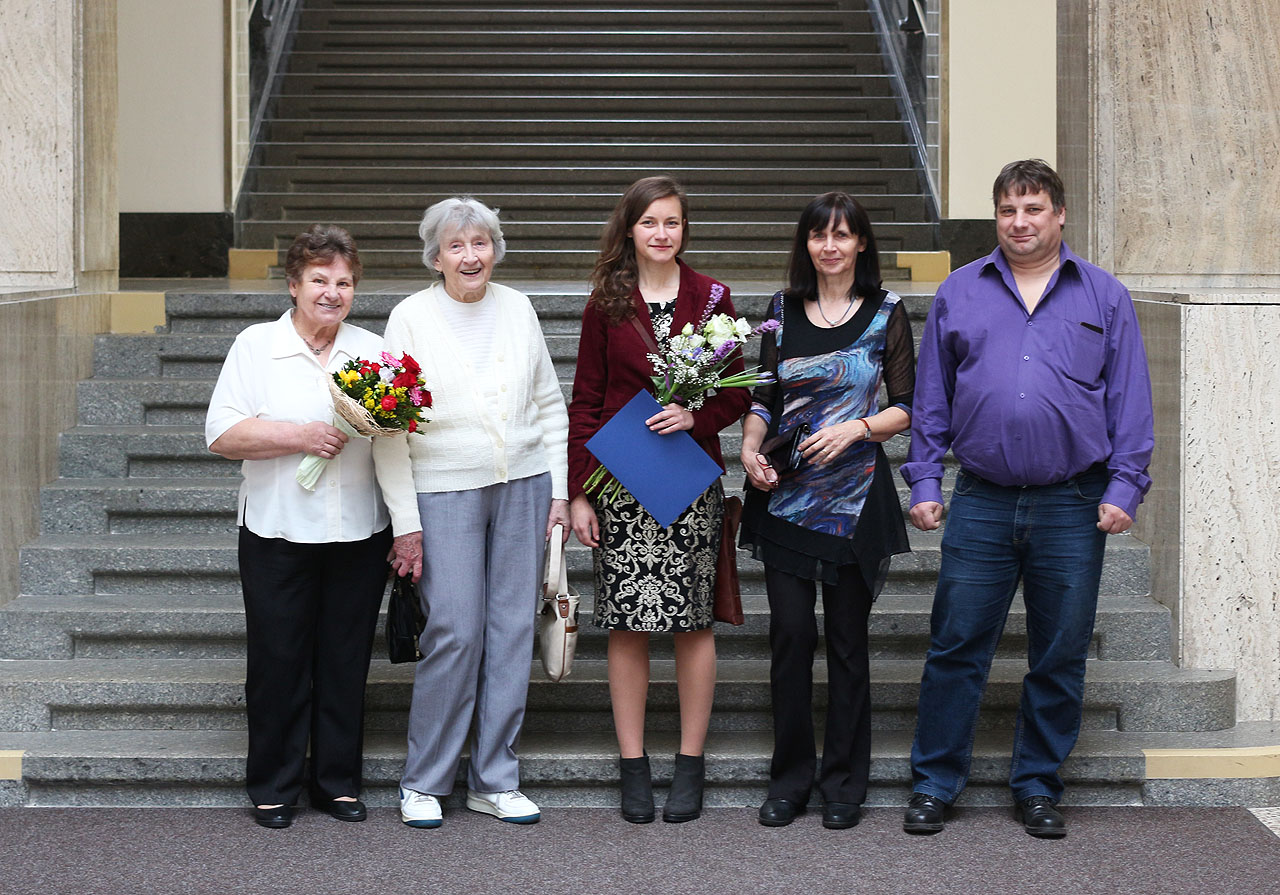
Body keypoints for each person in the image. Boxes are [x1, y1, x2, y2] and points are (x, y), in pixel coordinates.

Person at [900, 159, 1154, 838]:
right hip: (981, 499)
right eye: (1008, 210)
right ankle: (934, 782)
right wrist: (925, 479)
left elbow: (1130, 399)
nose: (1020, 222)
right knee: (956, 645)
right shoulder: (960, 292)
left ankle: (1037, 783)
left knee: (1061, 650)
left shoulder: (1104, 296)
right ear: (996, 216)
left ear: (1059, 213)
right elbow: (931, 400)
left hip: (1074, 503)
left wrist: (1126, 484)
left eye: (1033, 208)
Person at [206, 225, 422, 829]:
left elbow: (393, 450)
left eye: (344, 282)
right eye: (320, 280)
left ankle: (336, 783)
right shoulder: (255, 347)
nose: (332, 292)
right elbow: (222, 434)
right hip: (276, 531)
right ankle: (273, 786)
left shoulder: (373, 352)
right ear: (295, 285)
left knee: (345, 661)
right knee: (277, 661)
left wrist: (407, 529)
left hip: (358, 533)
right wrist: (299, 435)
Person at [568, 175, 751, 824]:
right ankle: (633, 764)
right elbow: (586, 402)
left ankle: (690, 763)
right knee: (628, 624)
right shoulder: (606, 303)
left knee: (692, 621)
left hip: (689, 480)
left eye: (672, 222)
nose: (662, 233)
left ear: (684, 230)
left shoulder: (713, 298)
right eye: (650, 223)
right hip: (619, 484)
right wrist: (579, 495)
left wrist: (693, 415)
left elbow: (740, 392)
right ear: (631, 229)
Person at [385, 197, 570, 830]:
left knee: (514, 628)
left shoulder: (518, 307)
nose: (471, 256)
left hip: (524, 483)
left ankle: (495, 778)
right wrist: (404, 521)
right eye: (456, 247)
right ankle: (425, 780)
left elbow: (549, 404)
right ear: (435, 257)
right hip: (443, 490)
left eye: (481, 244)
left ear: (495, 250)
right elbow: (389, 427)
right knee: (456, 630)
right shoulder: (409, 316)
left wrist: (560, 492)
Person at [738, 192, 915, 830]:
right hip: (785, 496)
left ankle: (844, 784)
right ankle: (789, 781)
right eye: (819, 235)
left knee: (847, 643)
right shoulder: (780, 311)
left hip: (857, 500)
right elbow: (764, 395)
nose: (831, 246)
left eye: (843, 235)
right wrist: (750, 447)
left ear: (861, 243)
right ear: (806, 244)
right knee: (789, 638)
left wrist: (858, 429)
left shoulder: (887, 312)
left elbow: (908, 405)